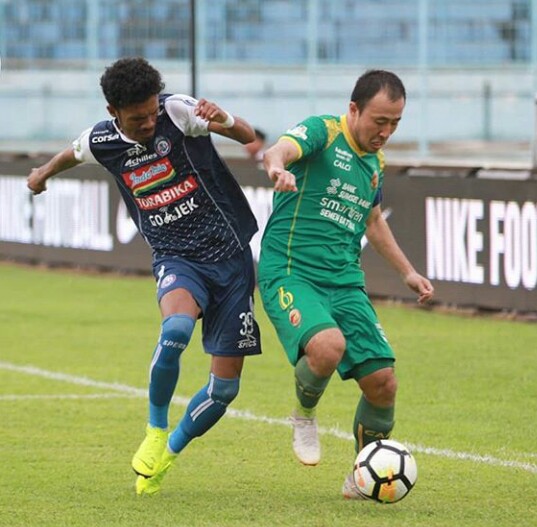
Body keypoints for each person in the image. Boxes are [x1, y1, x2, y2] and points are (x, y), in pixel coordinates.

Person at [27, 57, 262, 496]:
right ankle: (155, 429)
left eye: (153, 112)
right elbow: (72, 154)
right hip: (177, 258)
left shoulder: (178, 112)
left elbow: (247, 136)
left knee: (224, 391)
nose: (150, 122)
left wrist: (222, 118)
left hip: (231, 259)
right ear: (113, 110)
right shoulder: (103, 139)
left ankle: (169, 451)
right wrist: (40, 175)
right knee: (174, 328)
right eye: (139, 118)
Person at [257, 69, 434, 499]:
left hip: (345, 281)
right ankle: (303, 414)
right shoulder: (323, 132)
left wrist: (408, 272)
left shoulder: (376, 163)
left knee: (383, 383)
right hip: (291, 270)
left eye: (395, 123)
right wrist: (278, 167)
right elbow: (277, 150)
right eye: (379, 121)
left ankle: (361, 478)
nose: (386, 132)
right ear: (354, 109)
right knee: (327, 346)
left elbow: (373, 221)